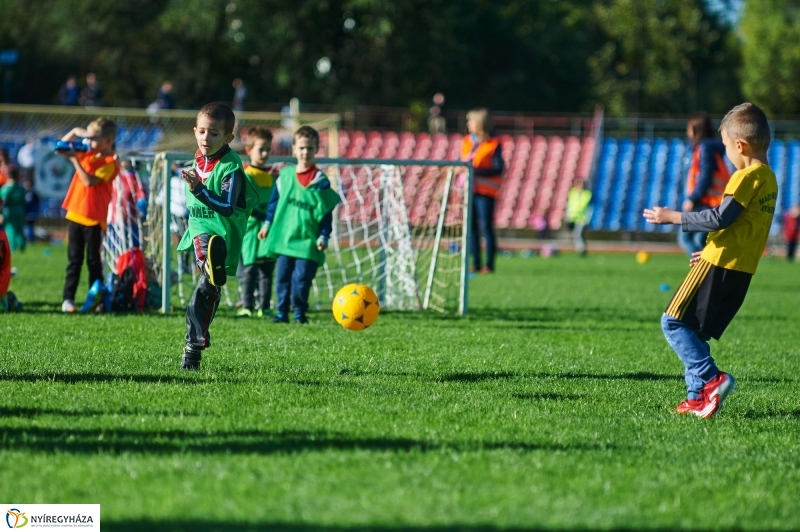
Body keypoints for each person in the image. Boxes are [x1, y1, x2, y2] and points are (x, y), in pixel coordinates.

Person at [643, 102, 777, 419]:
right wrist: (710, 250)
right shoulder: (769, 180)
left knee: (673, 322)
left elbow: (721, 217)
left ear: (740, 146)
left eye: (727, 148)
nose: (726, 155)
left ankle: (711, 378)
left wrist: (674, 216)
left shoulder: (746, 176)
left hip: (718, 264)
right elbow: (744, 227)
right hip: (740, 270)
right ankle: (698, 398)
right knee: (696, 330)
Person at [176, 103, 257, 370]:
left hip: (225, 233)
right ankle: (193, 345)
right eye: (201, 132)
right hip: (201, 229)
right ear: (195, 131)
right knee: (207, 270)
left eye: (213, 133)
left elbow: (227, 206)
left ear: (228, 138)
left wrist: (198, 190)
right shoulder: (196, 160)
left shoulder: (231, 167)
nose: (205, 138)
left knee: (207, 287)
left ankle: (194, 346)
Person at [257, 126, 340, 324]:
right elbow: (274, 204)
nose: (305, 152)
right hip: (285, 238)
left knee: (302, 281)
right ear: (294, 149)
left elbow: (326, 211)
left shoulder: (321, 181)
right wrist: (267, 225)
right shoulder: (284, 177)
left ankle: (300, 313)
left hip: (308, 241)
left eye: (310, 148)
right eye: (301, 148)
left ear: (316, 149)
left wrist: (324, 235)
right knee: (282, 278)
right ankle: (281, 313)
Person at [58, 117, 120, 313]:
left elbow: (89, 181)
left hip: (94, 218)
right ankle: (68, 299)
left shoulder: (110, 162)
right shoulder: (88, 153)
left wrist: (75, 160)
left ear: (108, 140)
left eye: (94, 138)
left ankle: (97, 300)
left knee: (94, 261)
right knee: (74, 260)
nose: (89, 142)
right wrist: (76, 131)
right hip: (75, 214)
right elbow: (60, 147)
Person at [237, 126, 276, 318]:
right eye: (261, 149)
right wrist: (264, 217)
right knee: (249, 270)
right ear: (249, 150)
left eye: (268, 149)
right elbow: (245, 204)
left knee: (267, 269)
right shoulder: (246, 176)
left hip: (269, 231)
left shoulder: (271, 178)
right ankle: (247, 305)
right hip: (251, 231)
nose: (265, 153)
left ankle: (265, 306)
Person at [680, 112, 731, 255]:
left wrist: (692, 198)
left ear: (697, 128)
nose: (687, 131)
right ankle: (706, 270)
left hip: (706, 202)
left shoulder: (705, 148)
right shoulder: (712, 148)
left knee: (686, 238)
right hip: (713, 203)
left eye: (689, 127)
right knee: (699, 240)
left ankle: (703, 270)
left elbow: (705, 177)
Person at [461, 108, 504, 274]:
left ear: (479, 123)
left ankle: (489, 264)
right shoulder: (466, 141)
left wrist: (475, 171)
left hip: (486, 191)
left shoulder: (493, 142)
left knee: (486, 226)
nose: (468, 124)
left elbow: (498, 167)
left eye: (470, 121)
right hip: (469, 189)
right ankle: (475, 262)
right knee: (471, 228)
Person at [0, 168, 27, 252]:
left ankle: (13, 247)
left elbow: (2, 201)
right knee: (20, 229)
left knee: (10, 228)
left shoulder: (6, 188)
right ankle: (22, 246)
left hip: (9, 211)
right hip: (20, 210)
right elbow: (24, 200)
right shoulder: (20, 188)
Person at [565, 180, 593, 256]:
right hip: (573, 217)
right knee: (576, 235)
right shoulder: (573, 193)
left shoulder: (587, 194)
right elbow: (570, 205)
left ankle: (581, 250)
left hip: (582, 218)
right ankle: (581, 249)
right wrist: (568, 216)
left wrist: (588, 218)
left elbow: (587, 207)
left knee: (578, 234)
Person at [23, 179, 40, 243]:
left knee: (29, 225)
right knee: (29, 226)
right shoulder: (28, 192)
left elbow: (29, 202)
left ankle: (30, 239)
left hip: (30, 212)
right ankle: (30, 239)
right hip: (30, 212)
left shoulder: (31, 193)